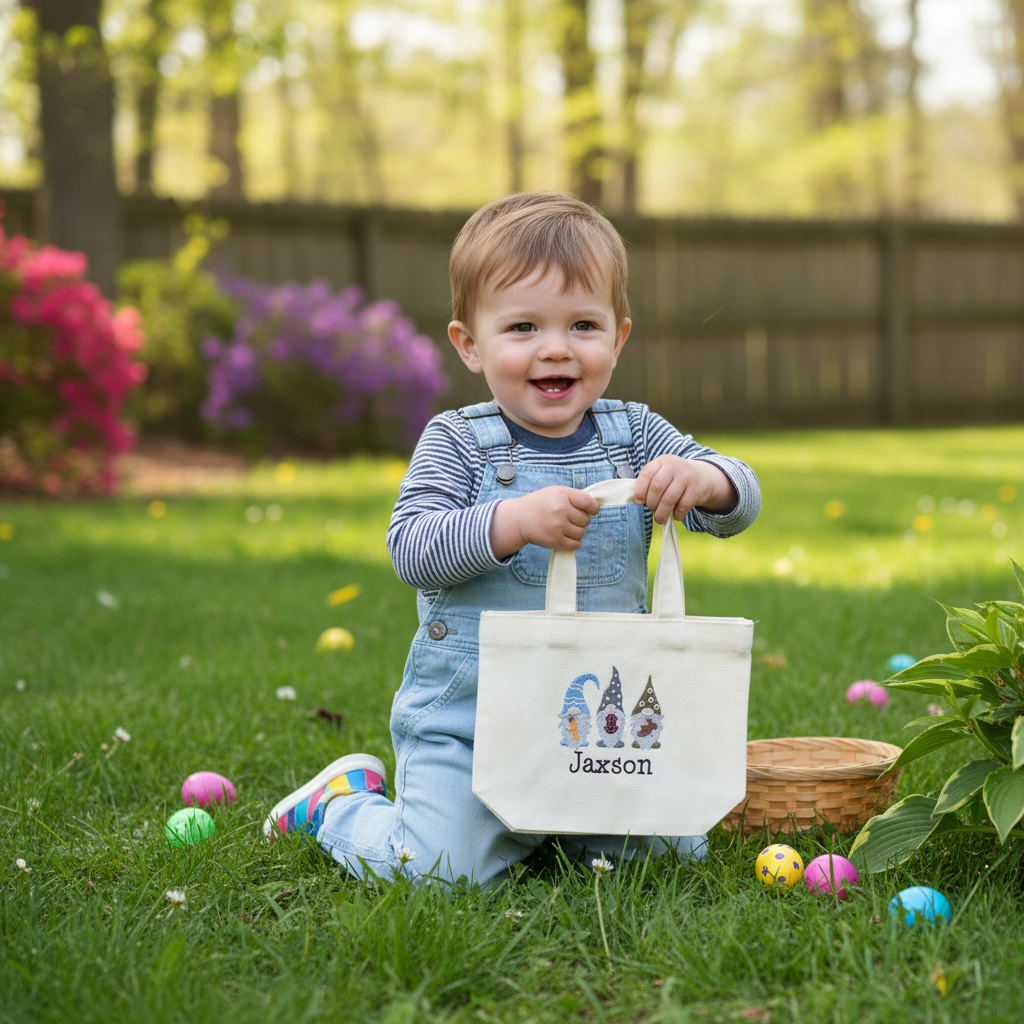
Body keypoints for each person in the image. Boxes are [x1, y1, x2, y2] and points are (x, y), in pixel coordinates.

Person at [264, 191, 760, 885]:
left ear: (617, 338)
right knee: (442, 871)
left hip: (600, 734)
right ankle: (341, 807)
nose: (555, 347)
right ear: (470, 344)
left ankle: (548, 825)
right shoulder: (457, 443)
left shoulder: (638, 434)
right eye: (523, 326)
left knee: (672, 861)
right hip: (469, 726)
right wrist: (511, 522)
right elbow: (412, 546)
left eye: (582, 325)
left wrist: (706, 480)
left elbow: (740, 501)